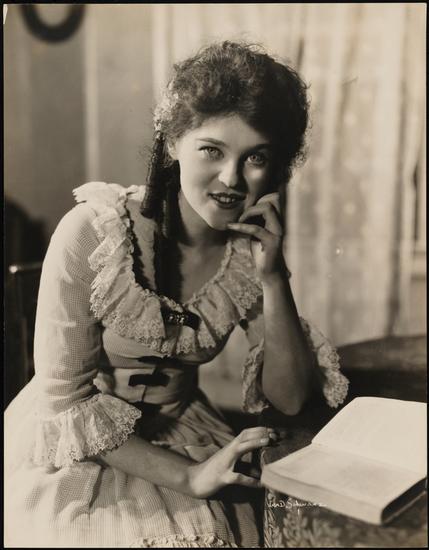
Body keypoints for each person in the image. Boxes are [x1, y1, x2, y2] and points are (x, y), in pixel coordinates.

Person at [4, 40, 348, 548]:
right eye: (212, 150)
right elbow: (65, 406)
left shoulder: (247, 256)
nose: (231, 179)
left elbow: (292, 399)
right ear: (172, 143)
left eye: (255, 157)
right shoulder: (93, 233)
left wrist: (274, 277)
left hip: (187, 431)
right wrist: (190, 477)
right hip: (77, 449)